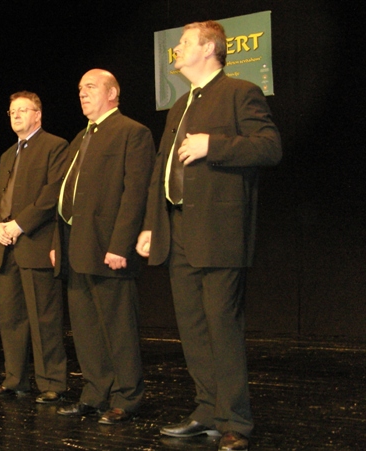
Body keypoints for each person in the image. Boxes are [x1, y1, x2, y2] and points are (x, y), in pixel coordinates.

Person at [135, 21, 281, 451]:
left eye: (183, 43)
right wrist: (151, 224)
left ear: (208, 49)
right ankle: (206, 411)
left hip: (220, 232)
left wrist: (212, 146)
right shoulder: (180, 105)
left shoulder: (240, 92)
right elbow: (162, 170)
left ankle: (235, 420)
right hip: (178, 229)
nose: (176, 49)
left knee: (222, 326)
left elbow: (269, 146)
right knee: (193, 328)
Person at [51, 69, 154, 423]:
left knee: (118, 329)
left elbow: (135, 193)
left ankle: (127, 396)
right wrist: (57, 242)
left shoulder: (132, 132)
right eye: (80, 88)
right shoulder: (81, 136)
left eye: (91, 87)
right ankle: (95, 393)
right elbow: (66, 195)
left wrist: (120, 244)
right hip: (76, 246)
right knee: (86, 329)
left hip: (109, 248)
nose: (82, 93)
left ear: (112, 93)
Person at [0, 91, 69, 403]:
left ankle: (52, 383)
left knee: (44, 319)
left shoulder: (55, 146)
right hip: (6, 245)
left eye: (23, 110)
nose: (16, 115)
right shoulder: (8, 154)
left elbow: (52, 193)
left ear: (38, 114)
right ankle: (15, 379)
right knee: (11, 319)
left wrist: (19, 224)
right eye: (12, 111)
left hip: (35, 242)